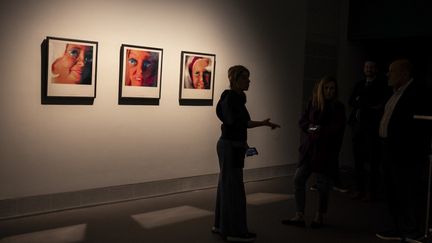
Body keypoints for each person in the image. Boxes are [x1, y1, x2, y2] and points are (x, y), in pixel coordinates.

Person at [213, 65, 280, 242]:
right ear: (235, 80)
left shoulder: (233, 97)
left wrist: (243, 141)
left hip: (230, 145)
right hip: (230, 147)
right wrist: (264, 124)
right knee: (233, 190)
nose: (249, 81)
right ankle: (233, 231)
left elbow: (231, 122)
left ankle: (220, 225)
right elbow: (242, 123)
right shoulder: (232, 98)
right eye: (245, 78)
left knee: (226, 186)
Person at [375, 59, 431, 243]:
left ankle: (411, 231)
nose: (388, 75)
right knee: (392, 191)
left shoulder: (417, 92)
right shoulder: (394, 93)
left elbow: (419, 125)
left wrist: (408, 149)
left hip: (405, 153)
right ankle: (396, 228)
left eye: (392, 71)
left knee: (408, 191)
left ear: (405, 73)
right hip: (389, 149)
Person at [282, 76, 346, 228]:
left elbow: (336, 128)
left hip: (325, 151)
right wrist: (311, 128)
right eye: (326, 88)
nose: (329, 91)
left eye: (332, 88)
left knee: (322, 185)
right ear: (321, 89)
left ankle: (320, 216)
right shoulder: (313, 103)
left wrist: (318, 129)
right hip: (309, 150)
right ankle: (299, 215)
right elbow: (303, 121)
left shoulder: (338, 106)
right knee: (298, 179)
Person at [348, 61, 391, 201]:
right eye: (366, 67)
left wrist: (362, 101)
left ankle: (371, 193)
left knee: (373, 162)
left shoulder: (381, 85)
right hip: (357, 127)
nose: (368, 69)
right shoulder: (359, 84)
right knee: (358, 160)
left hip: (371, 128)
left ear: (376, 69)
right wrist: (364, 102)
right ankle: (360, 190)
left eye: (371, 67)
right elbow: (351, 101)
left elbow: (378, 104)